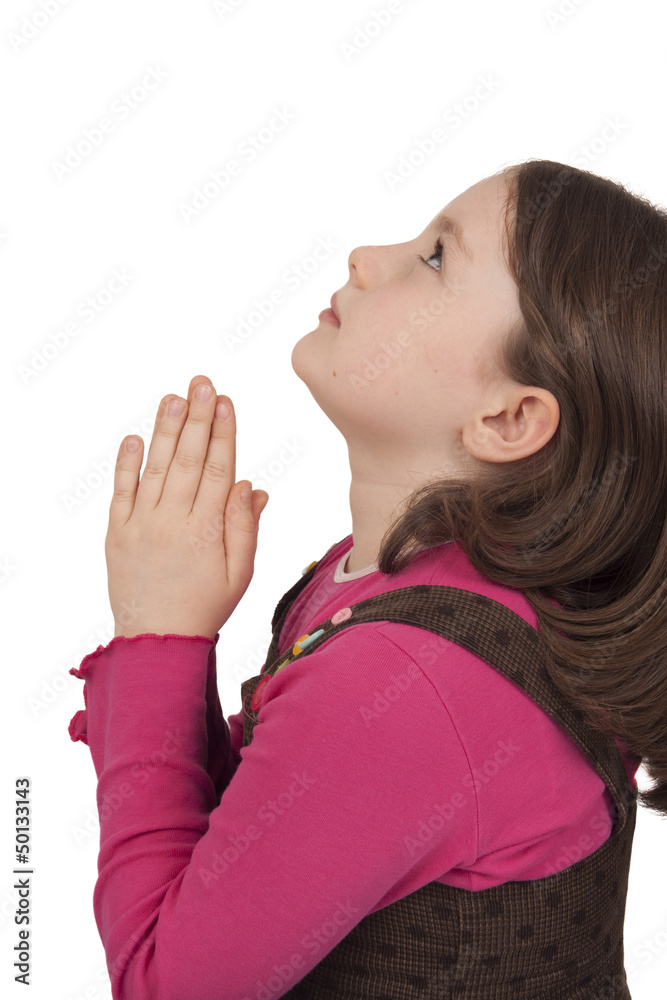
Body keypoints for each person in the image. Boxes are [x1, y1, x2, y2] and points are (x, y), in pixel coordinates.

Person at [68, 159, 666, 999]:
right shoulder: (404, 581)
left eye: (433, 257)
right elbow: (266, 839)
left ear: (507, 418)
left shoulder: (414, 678)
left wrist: (156, 634)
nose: (363, 256)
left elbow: (166, 985)